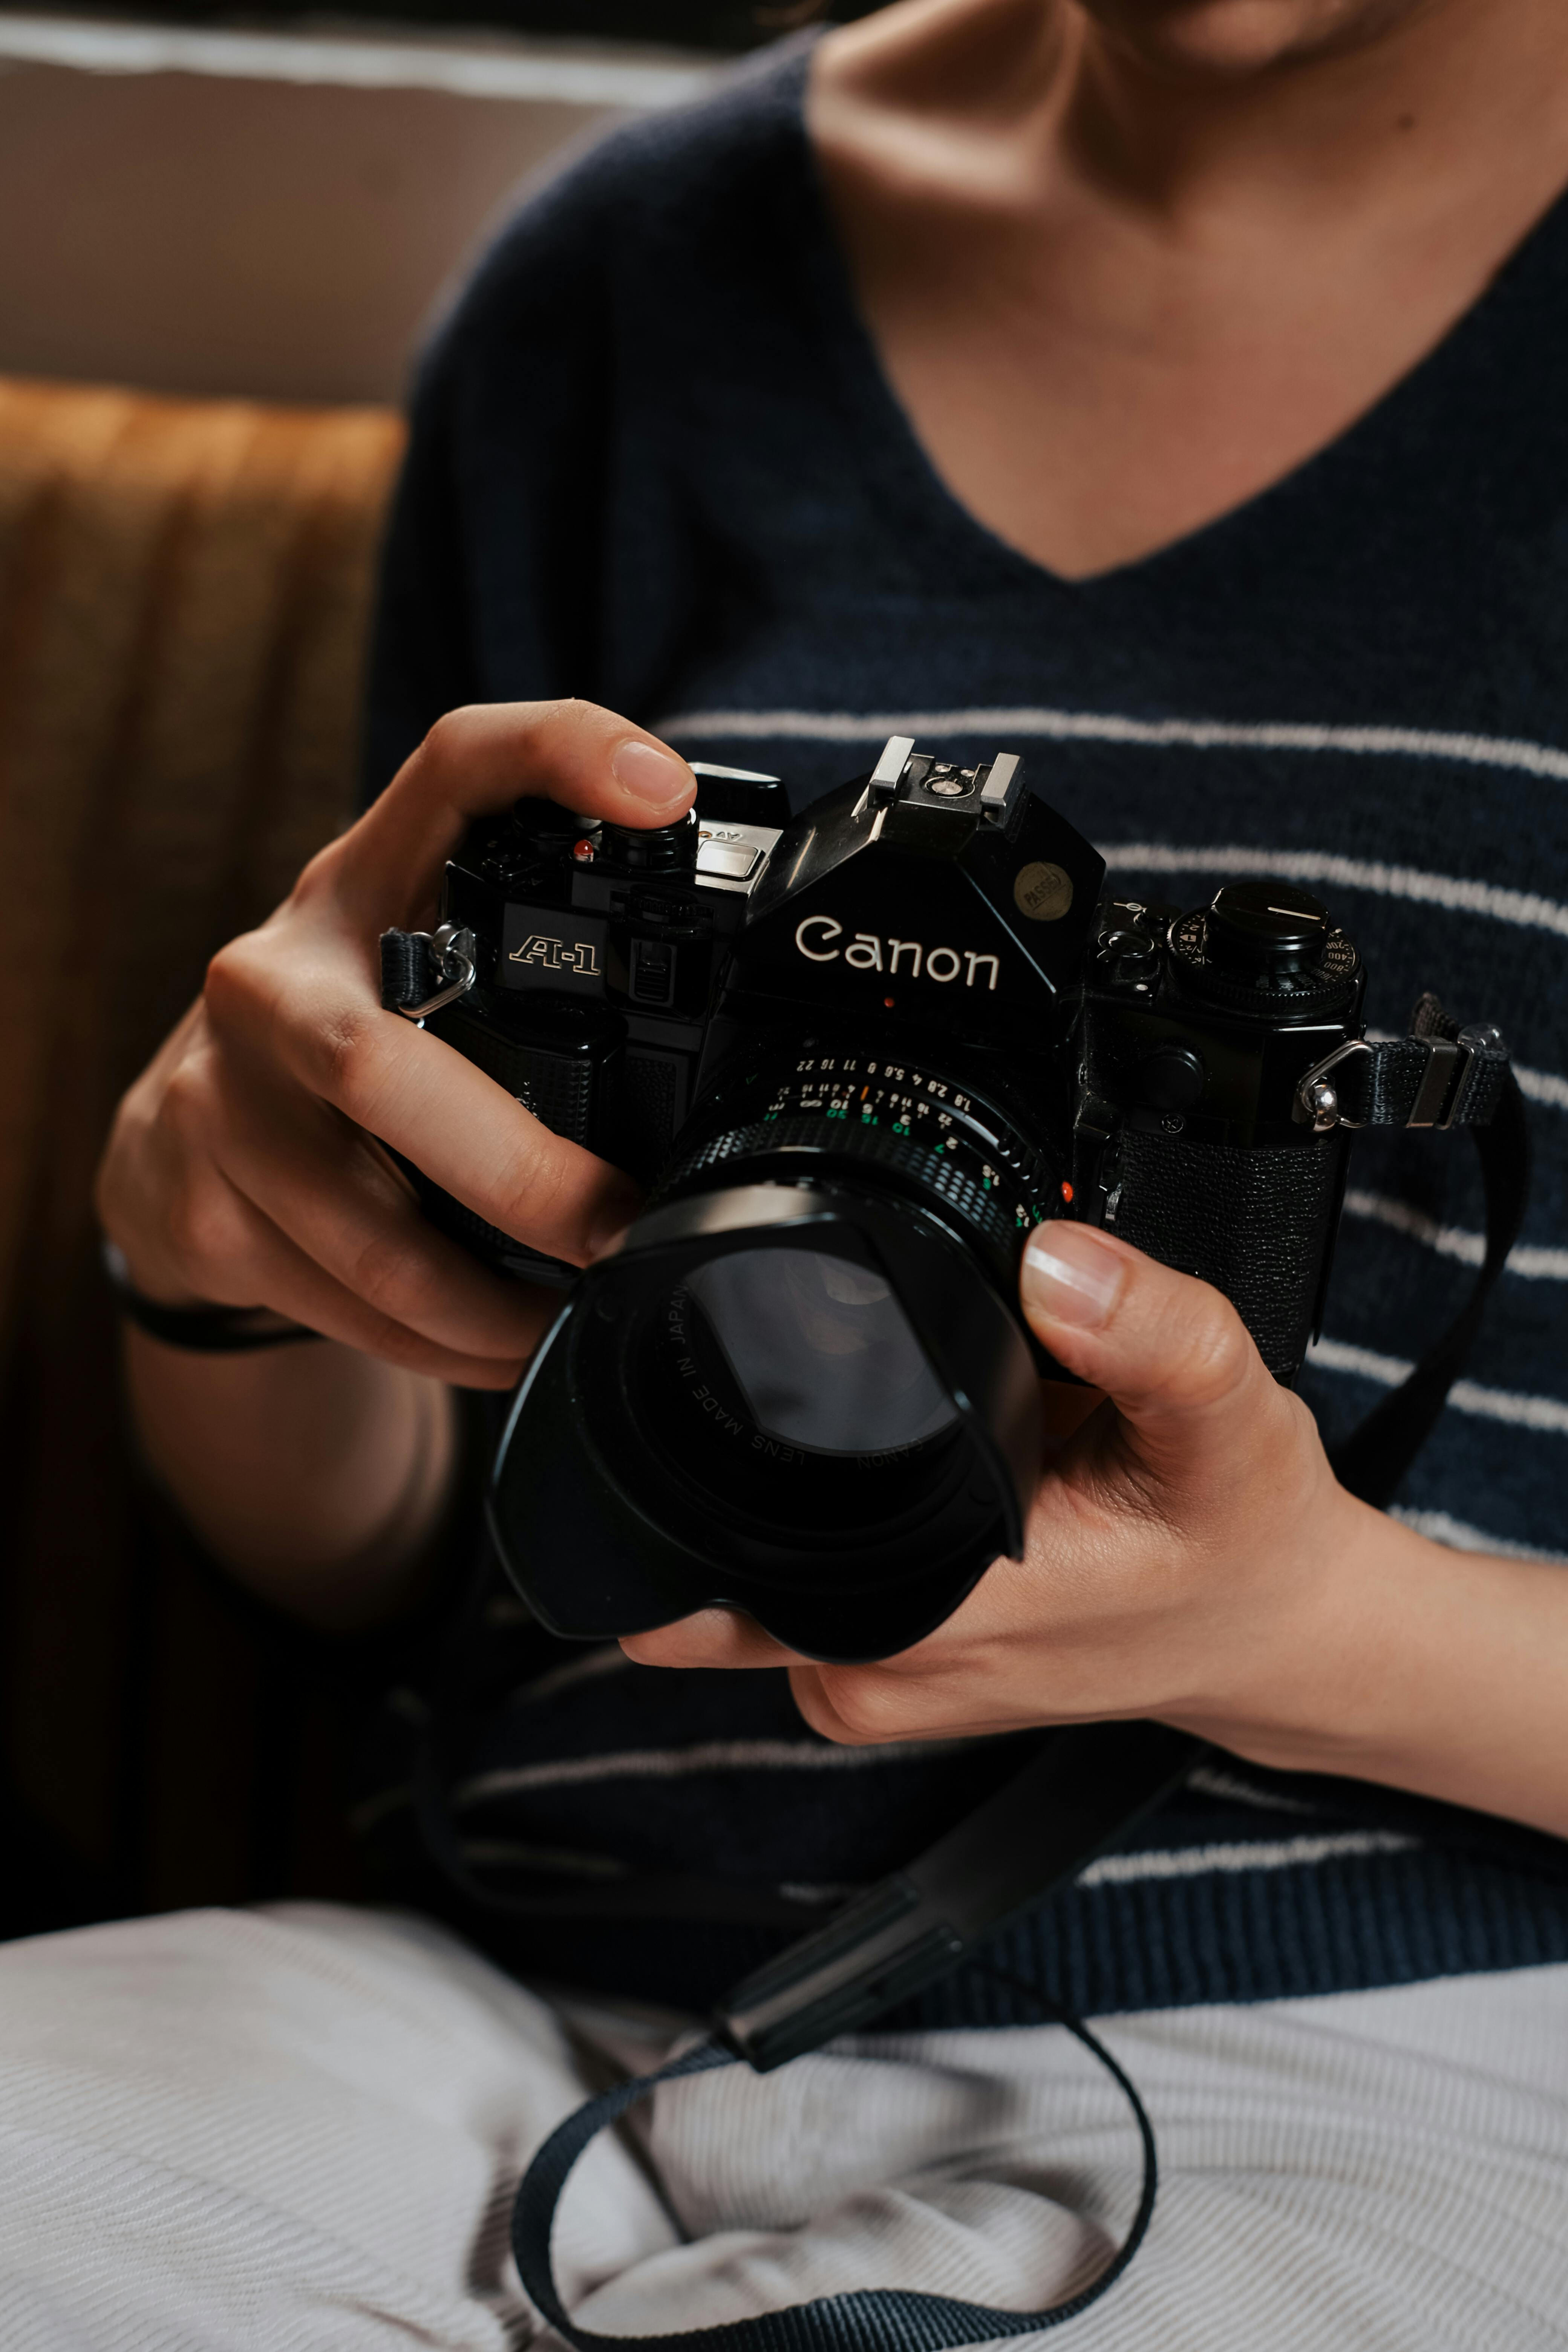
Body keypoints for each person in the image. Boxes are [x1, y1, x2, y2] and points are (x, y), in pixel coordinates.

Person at [8, 0, 1565, 2342]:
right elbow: (421, 1552)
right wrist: (211, 1246)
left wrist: (1317, 1633)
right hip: (494, 2010)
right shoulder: (628, 290)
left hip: (1389, 2036)